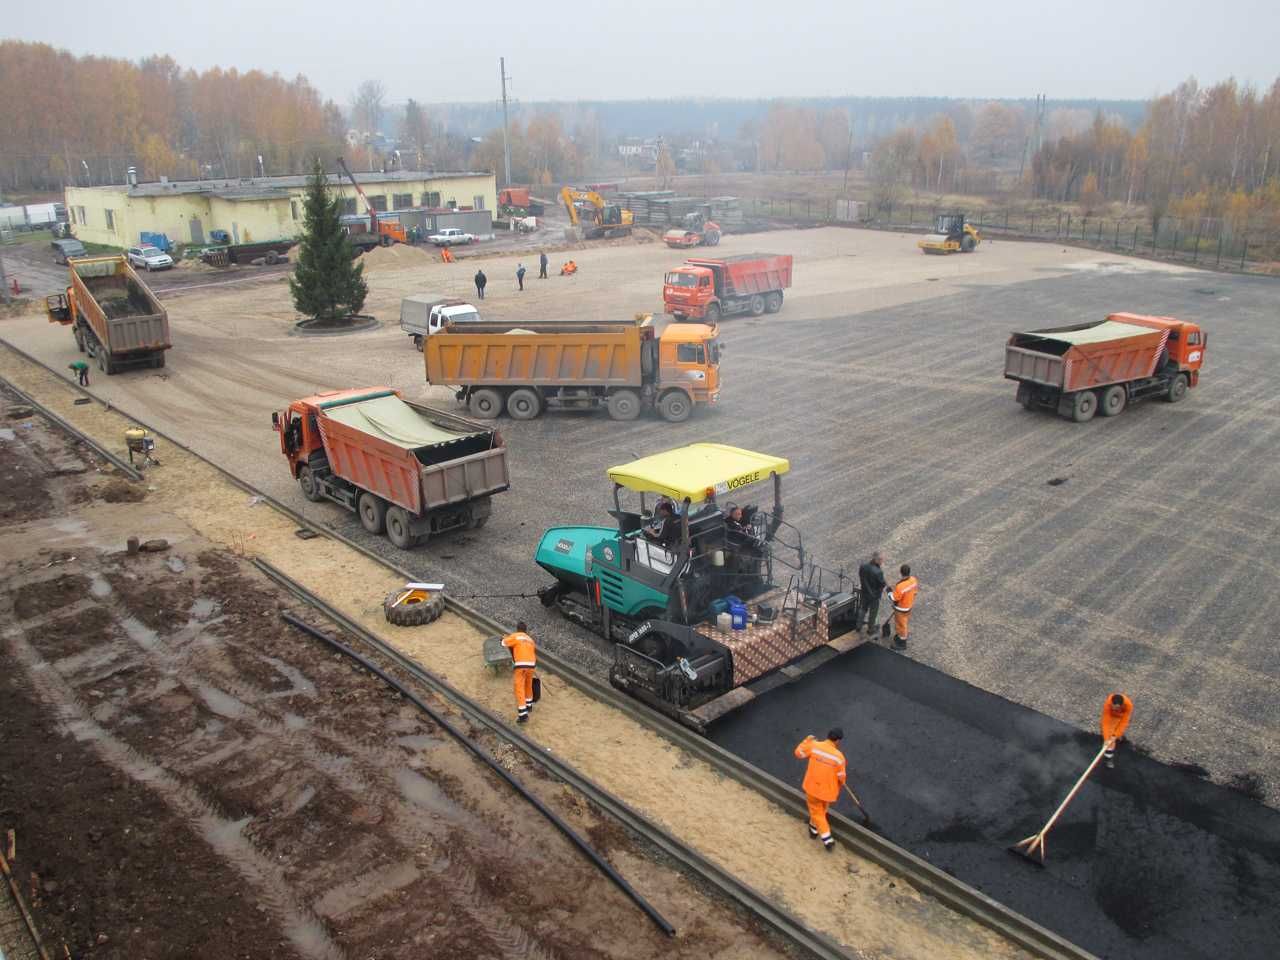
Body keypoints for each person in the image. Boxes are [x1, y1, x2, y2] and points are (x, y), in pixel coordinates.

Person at [794, 728, 846, 851]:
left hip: (813, 789)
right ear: (838, 741)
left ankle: (822, 836)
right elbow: (841, 777)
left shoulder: (813, 746)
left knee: (817, 813)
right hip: (828, 792)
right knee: (820, 812)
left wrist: (806, 740)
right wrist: (841, 782)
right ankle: (819, 835)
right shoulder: (839, 757)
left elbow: (798, 753)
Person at [501, 621, 538, 723]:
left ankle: (523, 714)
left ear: (517, 629)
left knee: (519, 687)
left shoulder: (515, 636)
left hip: (521, 664)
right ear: (526, 630)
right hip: (531, 665)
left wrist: (504, 638)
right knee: (528, 684)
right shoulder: (530, 640)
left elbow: (504, 643)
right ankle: (529, 705)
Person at [888, 564, 918, 649]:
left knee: (901, 624)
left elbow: (894, 598)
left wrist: (889, 592)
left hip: (901, 608)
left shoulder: (900, 586)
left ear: (901, 572)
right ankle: (899, 636)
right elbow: (915, 592)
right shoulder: (913, 580)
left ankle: (902, 643)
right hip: (909, 606)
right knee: (902, 623)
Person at [1100, 693, 1133, 768]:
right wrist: (1107, 739)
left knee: (1115, 734)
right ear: (1111, 703)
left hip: (1121, 716)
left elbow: (1124, 722)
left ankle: (1119, 737)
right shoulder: (1108, 703)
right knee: (1109, 739)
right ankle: (1108, 758)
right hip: (1111, 716)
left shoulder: (1129, 705)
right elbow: (1105, 723)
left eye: (1116, 708)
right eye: (1113, 707)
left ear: (1121, 705)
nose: (1114, 708)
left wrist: (1115, 735)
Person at [858, 552, 886, 637]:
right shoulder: (878, 572)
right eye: (881, 559)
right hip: (874, 596)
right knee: (873, 613)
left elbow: (861, 576)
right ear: (877, 560)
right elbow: (882, 584)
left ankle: (858, 626)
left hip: (864, 592)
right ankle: (871, 629)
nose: (883, 561)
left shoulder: (863, 566)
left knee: (863, 609)